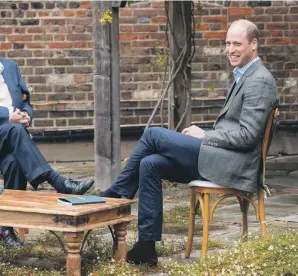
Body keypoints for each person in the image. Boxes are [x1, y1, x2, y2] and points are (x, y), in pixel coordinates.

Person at [99, 19, 279, 265]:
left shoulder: (259, 80)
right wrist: (207, 134)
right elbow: (235, 129)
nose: (230, 49)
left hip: (234, 166)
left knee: (153, 134)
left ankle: (116, 196)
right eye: (227, 43)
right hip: (221, 157)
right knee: (149, 163)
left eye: (237, 44)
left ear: (254, 44)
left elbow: (248, 137)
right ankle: (146, 246)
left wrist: (206, 135)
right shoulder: (245, 75)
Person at [0, 26, 94, 247]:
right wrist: (8, 116)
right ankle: (58, 182)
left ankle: (6, 230)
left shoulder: (11, 68)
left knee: (14, 161)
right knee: (14, 130)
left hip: (7, 139)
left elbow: (24, 101)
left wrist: (25, 115)